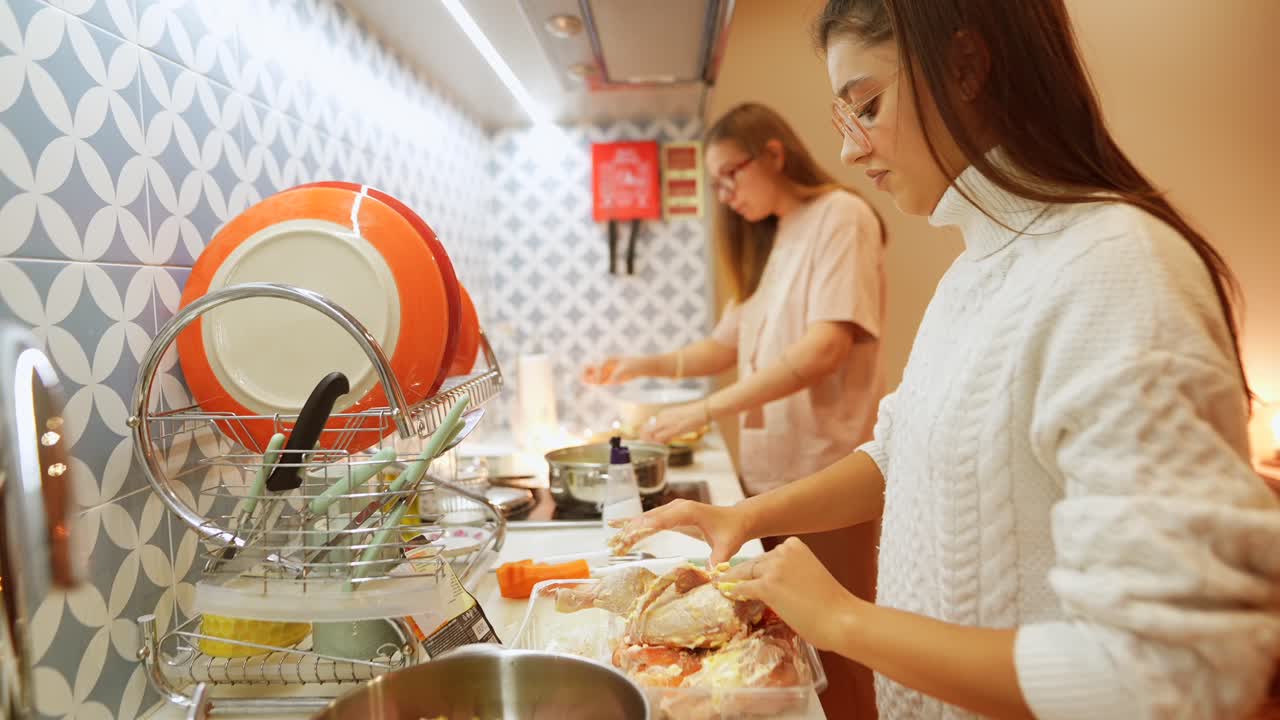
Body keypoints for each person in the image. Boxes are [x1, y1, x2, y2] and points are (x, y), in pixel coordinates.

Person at [614, 1, 1280, 718]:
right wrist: (742, 517)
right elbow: (897, 453)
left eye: (866, 106)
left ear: (965, 66)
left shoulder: (1116, 269)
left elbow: (1173, 673)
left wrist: (842, 620)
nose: (850, 150)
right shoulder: (973, 271)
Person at [582, 102, 886, 717]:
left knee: (840, 657)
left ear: (774, 153)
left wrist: (706, 408)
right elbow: (725, 346)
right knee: (793, 654)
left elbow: (824, 349)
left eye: (731, 174)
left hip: (828, 476)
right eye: (715, 183)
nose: (725, 194)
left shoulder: (840, 218)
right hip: (771, 480)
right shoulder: (776, 239)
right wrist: (642, 365)